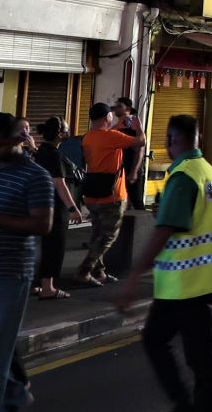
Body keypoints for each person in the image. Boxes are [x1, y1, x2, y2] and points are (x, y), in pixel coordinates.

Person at [116, 115, 212, 412]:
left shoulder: (183, 177)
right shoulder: (206, 170)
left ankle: (189, 405)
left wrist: (132, 278)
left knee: (187, 353)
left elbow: (163, 232)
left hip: (184, 284)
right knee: (184, 349)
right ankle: (189, 404)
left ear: (172, 140)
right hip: (197, 280)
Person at [0, 112, 53, 412]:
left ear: (16, 141)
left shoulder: (36, 177)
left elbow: (42, 225)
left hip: (9, 273)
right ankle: (13, 393)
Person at [77, 103, 146, 286]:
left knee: (97, 233)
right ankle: (84, 269)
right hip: (111, 195)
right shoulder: (112, 136)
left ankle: (99, 272)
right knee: (108, 236)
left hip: (92, 193)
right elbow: (140, 142)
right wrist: (138, 128)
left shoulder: (87, 137)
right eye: (111, 114)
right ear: (107, 116)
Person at [33, 117, 83, 300]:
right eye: (66, 128)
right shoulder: (54, 154)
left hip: (44, 204)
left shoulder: (42, 151)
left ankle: (39, 285)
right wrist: (72, 208)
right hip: (56, 206)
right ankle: (48, 287)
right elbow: (59, 183)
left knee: (46, 246)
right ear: (60, 133)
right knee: (55, 246)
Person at [113, 97, 146, 210]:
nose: (116, 108)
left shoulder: (131, 123)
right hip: (121, 168)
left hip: (132, 167)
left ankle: (143, 226)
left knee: (137, 202)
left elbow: (140, 148)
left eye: (119, 106)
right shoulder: (120, 124)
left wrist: (134, 171)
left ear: (128, 108)